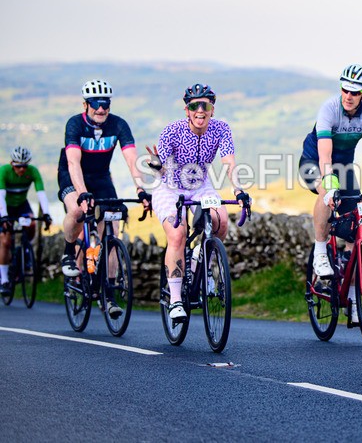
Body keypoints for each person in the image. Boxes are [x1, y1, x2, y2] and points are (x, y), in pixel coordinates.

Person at [147, 84, 250, 323]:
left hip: (200, 185)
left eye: (206, 105)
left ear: (212, 109)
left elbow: (229, 164)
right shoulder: (171, 131)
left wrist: (238, 189)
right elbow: (162, 166)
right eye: (195, 106)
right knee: (177, 233)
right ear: (187, 110)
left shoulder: (221, 129)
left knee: (221, 222)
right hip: (169, 185)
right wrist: (155, 165)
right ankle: (175, 300)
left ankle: (199, 264)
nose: (200, 110)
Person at [57, 79, 151, 318]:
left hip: (101, 178)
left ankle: (108, 295)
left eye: (105, 104)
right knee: (78, 212)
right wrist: (81, 194)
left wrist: (141, 189)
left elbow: (132, 160)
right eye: (96, 103)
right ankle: (69, 252)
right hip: (72, 176)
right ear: (86, 104)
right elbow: (73, 162)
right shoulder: (75, 124)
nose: (101, 109)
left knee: (111, 231)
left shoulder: (118, 125)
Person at [298, 64, 362, 321]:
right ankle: (321, 253)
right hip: (315, 162)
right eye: (345, 89)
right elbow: (325, 153)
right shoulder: (330, 108)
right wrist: (330, 185)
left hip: (344, 166)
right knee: (328, 190)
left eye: (355, 92)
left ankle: (352, 300)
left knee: (356, 228)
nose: (348, 95)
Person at [0, 147, 52, 295]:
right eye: (18, 166)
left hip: (21, 204)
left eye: (24, 166)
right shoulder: (3, 171)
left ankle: (24, 249)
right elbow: (1, 197)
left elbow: (41, 194)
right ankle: (4, 280)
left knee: (32, 223)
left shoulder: (33, 172)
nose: (22, 169)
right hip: (4, 206)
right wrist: (4, 216)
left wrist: (47, 214)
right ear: (12, 164)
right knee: (5, 241)